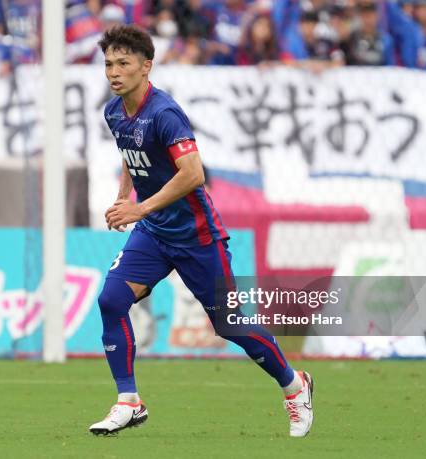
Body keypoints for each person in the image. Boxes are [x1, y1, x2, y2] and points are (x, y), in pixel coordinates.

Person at [88, 24, 314, 437]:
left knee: (229, 324)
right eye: (108, 64)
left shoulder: (165, 113)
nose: (114, 72)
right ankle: (128, 402)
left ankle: (294, 385)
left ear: (146, 66)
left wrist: (138, 208)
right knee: (111, 299)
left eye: (123, 63)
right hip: (155, 233)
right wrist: (125, 197)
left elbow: (192, 175)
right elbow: (131, 153)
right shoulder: (114, 111)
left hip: (197, 236)